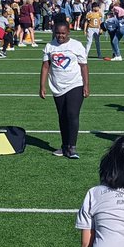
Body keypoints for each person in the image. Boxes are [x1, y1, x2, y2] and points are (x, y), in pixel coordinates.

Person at [39, 19, 89, 159]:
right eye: (57, 33)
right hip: (57, 85)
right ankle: (64, 145)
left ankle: (72, 147)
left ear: (68, 32)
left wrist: (86, 85)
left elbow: (83, 66)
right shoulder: (50, 46)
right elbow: (45, 67)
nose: (60, 36)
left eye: (63, 33)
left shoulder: (76, 46)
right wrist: (42, 86)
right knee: (62, 117)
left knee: (72, 114)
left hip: (75, 84)